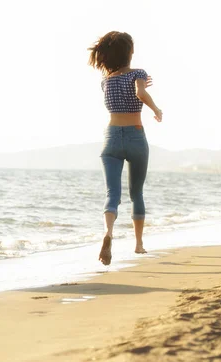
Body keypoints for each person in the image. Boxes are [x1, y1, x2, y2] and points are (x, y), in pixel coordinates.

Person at [88, 31, 163, 266]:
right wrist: (156, 109)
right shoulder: (138, 73)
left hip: (110, 138)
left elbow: (125, 85)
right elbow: (139, 93)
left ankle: (108, 233)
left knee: (112, 194)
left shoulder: (106, 80)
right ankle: (139, 244)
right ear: (129, 52)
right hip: (135, 136)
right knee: (136, 193)